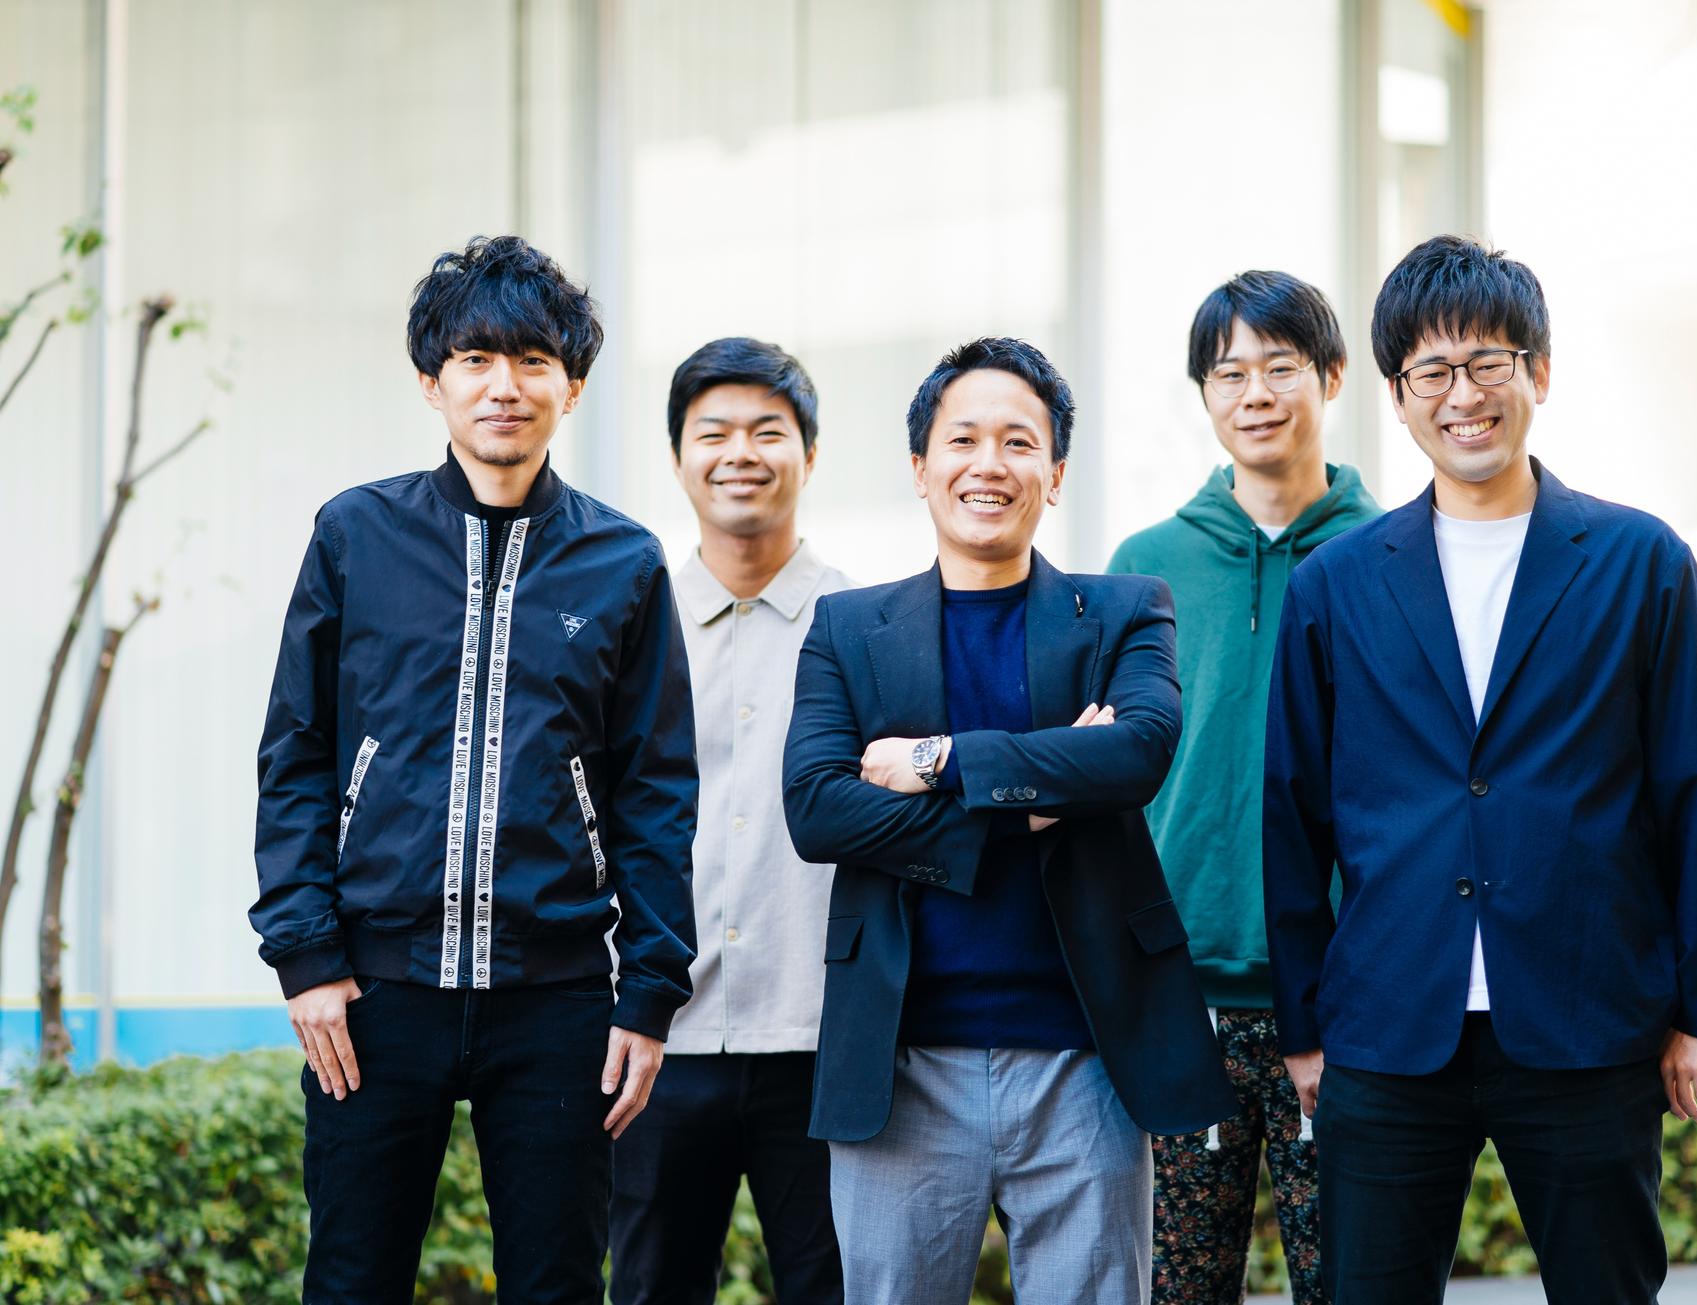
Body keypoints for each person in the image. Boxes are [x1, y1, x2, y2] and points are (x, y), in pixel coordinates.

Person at [1263, 234, 1697, 1304]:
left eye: (1488, 362)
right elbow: (1292, 812)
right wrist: (1302, 1029)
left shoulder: (1641, 562)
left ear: (1539, 371)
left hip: (1589, 1021)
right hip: (1388, 1027)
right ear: (1398, 396)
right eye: (1431, 371)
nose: (1463, 395)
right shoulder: (1335, 585)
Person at [250, 235, 697, 1304]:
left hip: (556, 998)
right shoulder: (356, 535)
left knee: (557, 1283)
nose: (505, 386)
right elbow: (296, 750)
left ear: (571, 387)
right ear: (431, 381)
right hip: (376, 987)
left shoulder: (623, 562)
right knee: (352, 1279)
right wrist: (306, 956)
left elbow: (655, 789)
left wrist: (648, 991)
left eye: (534, 360)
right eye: (476, 359)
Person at [782, 337, 1236, 1305]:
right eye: (963, 440)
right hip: (903, 1063)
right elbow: (818, 810)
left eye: (1019, 442)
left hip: (1086, 1062)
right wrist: (1031, 805)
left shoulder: (1124, 610)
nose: (989, 464)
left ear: (1055, 473)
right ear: (920, 466)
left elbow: (1137, 753)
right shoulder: (848, 628)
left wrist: (937, 762)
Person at [1108, 270, 1379, 1304]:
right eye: (1229, 373)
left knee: (1354, 1282)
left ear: (1332, 377)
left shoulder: (1388, 552)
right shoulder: (1144, 568)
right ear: (1205, 394)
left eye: (1280, 367)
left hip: (1348, 1000)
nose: (1255, 393)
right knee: (1178, 1287)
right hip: (1180, 1002)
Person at [608, 338, 850, 1304]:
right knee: (652, 1286)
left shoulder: (867, 624)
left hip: (822, 1039)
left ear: (809, 454)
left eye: (767, 431)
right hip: (659, 1042)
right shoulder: (631, 624)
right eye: (713, 433)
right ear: (678, 459)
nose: (739, 453)